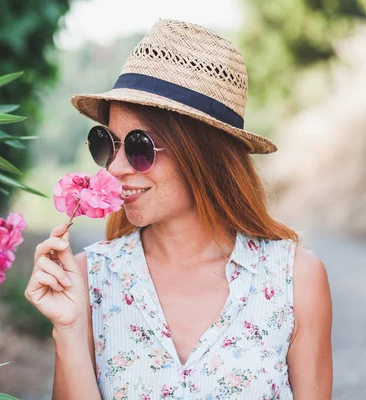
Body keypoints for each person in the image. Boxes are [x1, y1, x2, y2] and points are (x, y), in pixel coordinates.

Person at [24, 19, 332, 400]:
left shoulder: (294, 279)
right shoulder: (90, 279)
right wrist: (67, 330)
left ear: (202, 154)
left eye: (139, 147)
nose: (115, 167)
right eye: (107, 143)